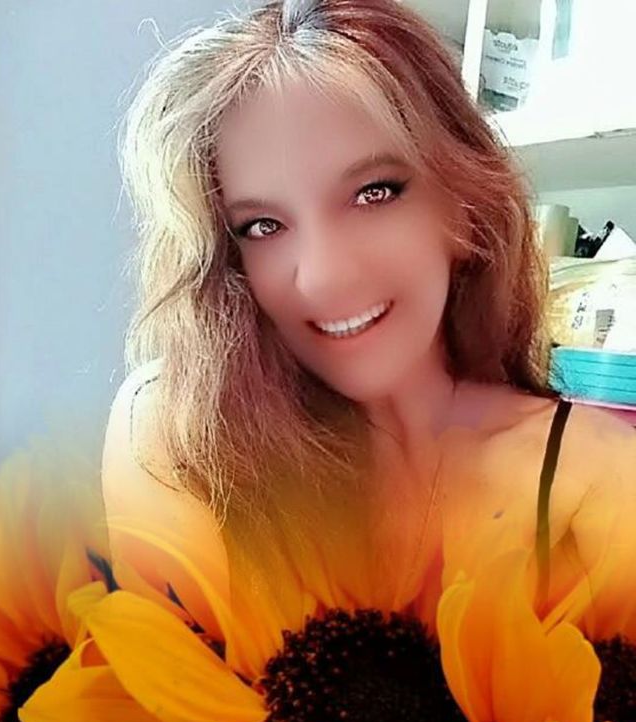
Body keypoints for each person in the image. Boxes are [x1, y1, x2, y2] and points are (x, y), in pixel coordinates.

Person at [102, 0, 636, 616]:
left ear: (466, 205)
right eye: (263, 226)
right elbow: (171, 669)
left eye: (372, 193)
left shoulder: (591, 475)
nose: (323, 277)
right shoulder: (183, 432)